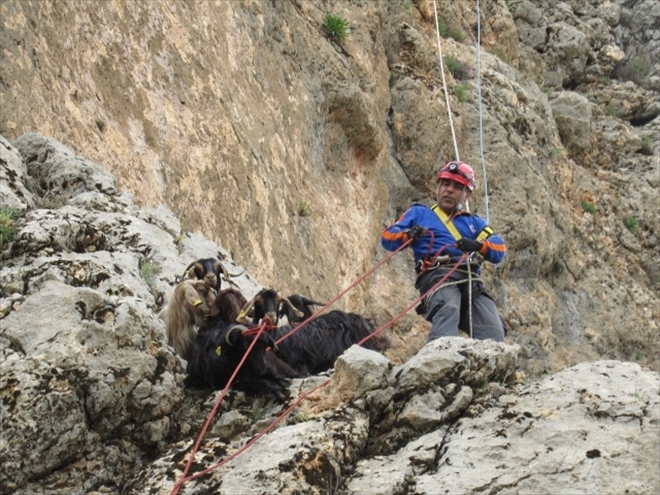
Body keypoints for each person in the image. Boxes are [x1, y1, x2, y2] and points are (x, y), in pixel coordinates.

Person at [381, 161, 507, 342]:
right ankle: (437, 361)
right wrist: (408, 234)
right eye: (445, 184)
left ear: (467, 195)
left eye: (457, 187)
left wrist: (478, 245)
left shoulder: (474, 223)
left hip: (470, 279)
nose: (449, 190)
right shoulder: (419, 214)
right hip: (437, 275)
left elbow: (499, 248)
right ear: (438, 187)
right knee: (449, 309)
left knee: (493, 331)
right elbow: (388, 237)